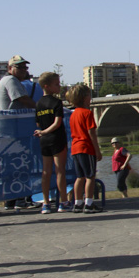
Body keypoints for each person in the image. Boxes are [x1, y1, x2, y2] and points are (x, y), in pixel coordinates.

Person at [33, 72, 71, 213]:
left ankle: (46, 203)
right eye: (57, 84)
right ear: (47, 86)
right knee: (60, 170)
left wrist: (42, 132)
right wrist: (46, 131)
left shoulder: (38, 104)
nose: (59, 86)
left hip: (44, 141)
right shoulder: (56, 103)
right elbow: (57, 123)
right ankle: (63, 202)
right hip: (56, 139)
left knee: (46, 172)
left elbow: (38, 123)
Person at [67, 84, 103, 213]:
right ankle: (89, 203)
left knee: (79, 177)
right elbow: (91, 133)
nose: (90, 98)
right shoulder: (87, 113)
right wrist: (97, 151)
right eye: (89, 96)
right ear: (84, 98)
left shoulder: (73, 114)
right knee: (90, 176)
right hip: (86, 148)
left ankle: (78, 203)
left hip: (75, 149)